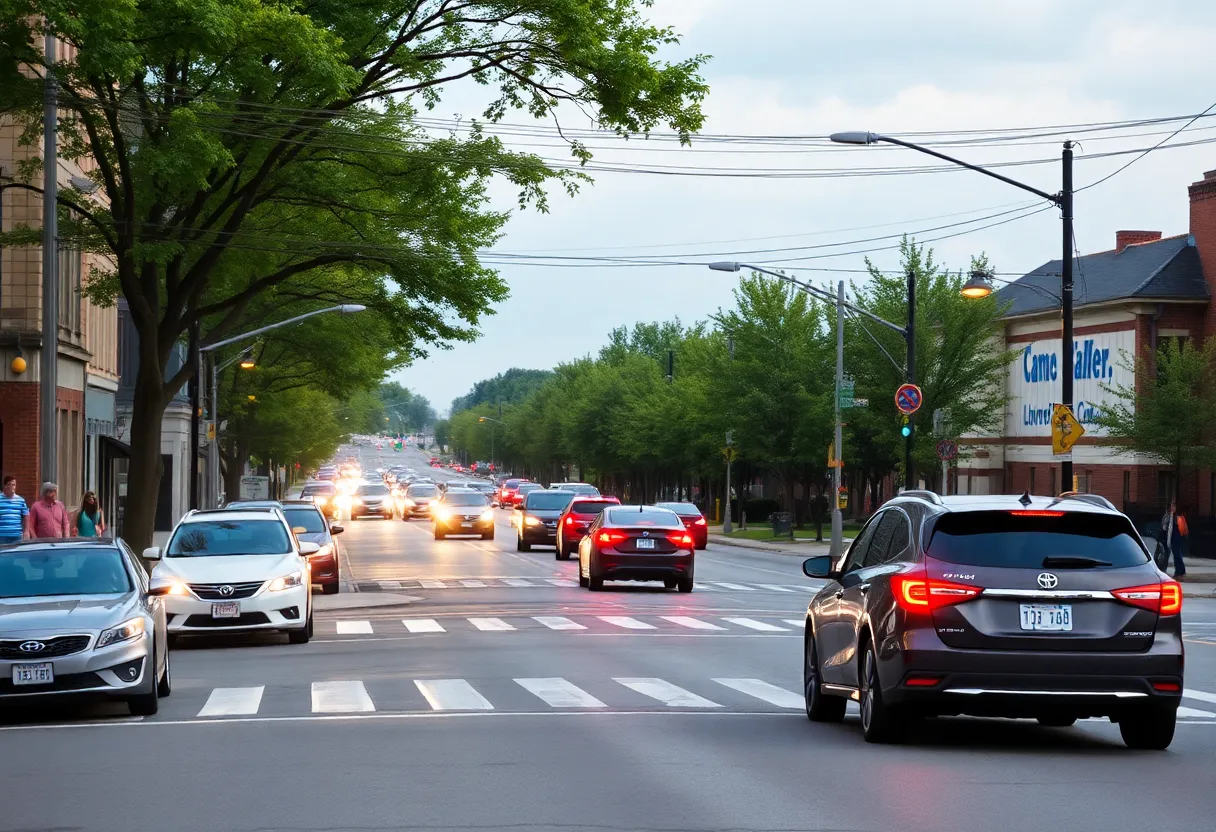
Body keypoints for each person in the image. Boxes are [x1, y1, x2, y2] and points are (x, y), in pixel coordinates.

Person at [0, 475, 30, 544]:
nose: (12, 487)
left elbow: (26, 515)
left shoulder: (20, 500)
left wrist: (26, 531)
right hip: (1, 535)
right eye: (9, 484)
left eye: (14, 485)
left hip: (16, 535)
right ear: (5, 486)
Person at [1162, 499, 1187, 580]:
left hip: (1177, 538)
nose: (1173, 508)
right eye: (1172, 506)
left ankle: (1180, 572)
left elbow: (1182, 529)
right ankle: (1179, 572)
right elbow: (1165, 527)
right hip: (1172, 538)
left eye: (1174, 506)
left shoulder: (1178, 516)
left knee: (1177, 555)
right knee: (1176, 555)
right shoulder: (1169, 516)